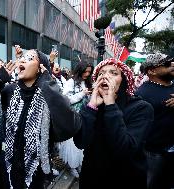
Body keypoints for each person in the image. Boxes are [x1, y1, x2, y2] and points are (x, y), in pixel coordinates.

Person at [0, 49, 81, 189]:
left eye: (30, 58)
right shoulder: (9, 91)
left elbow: (70, 126)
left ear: (40, 68)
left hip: (36, 170)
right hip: (8, 165)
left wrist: (48, 85)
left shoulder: (49, 94)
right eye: (22, 58)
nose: (23, 60)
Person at [73, 58, 154, 188]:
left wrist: (110, 104)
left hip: (125, 179)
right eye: (101, 73)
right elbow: (81, 142)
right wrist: (92, 107)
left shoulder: (141, 108)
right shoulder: (91, 106)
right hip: (92, 178)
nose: (105, 76)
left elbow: (125, 149)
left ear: (124, 81)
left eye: (113, 73)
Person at [135, 53, 174, 189]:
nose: (173, 65)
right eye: (167, 64)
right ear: (152, 71)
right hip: (153, 153)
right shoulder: (141, 94)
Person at [59, 61, 93, 178]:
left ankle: (78, 164)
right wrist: (82, 94)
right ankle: (72, 166)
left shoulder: (87, 82)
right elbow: (65, 100)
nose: (87, 74)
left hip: (85, 117)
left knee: (81, 141)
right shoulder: (70, 82)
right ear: (80, 70)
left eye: (89, 71)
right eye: (85, 71)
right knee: (72, 144)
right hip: (73, 118)